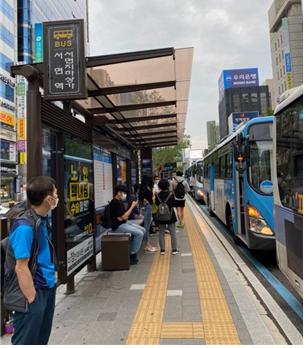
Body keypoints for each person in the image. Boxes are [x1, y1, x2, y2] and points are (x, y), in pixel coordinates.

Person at [5, 176, 58, 345]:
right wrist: (32, 299)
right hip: (33, 292)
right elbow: (21, 268)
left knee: (41, 340)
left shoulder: (39, 219)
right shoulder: (24, 227)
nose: (57, 197)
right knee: (27, 341)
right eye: (55, 194)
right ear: (48, 199)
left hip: (46, 287)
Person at [109, 185, 145, 264]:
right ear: (118, 193)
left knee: (143, 229)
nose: (125, 195)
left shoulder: (119, 201)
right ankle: (131, 254)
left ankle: (132, 250)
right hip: (118, 226)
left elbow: (123, 217)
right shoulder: (115, 203)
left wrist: (122, 217)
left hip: (123, 222)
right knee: (139, 233)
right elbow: (125, 216)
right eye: (123, 193)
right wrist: (132, 206)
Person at [155, 179, 179, 255]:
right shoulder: (171, 194)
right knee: (173, 232)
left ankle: (162, 250)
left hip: (161, 216)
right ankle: (174, 250)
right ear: (168, 186)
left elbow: (156, 204)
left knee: (161, 233)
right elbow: (174, 204)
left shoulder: (157, 195)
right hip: (170, 216)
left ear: (159, 186)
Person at [139, 175, 157, 252]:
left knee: (147, 226)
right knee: (146, 227)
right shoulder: (145, 188)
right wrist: (145, 201)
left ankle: (148, 244)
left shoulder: (146, 188)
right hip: (147, 208)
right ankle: (147, 246)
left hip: (149, 207)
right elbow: (141, 197)